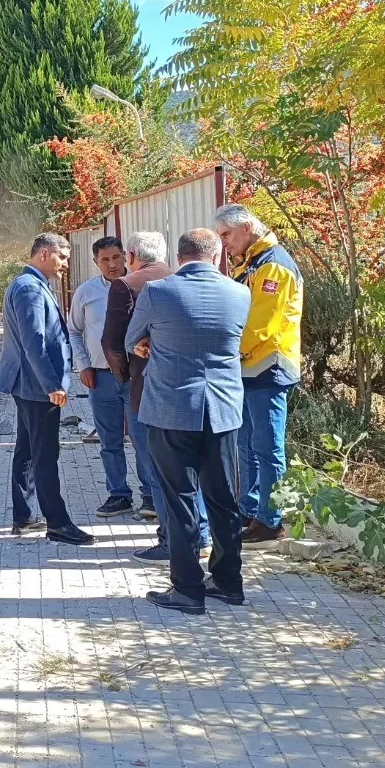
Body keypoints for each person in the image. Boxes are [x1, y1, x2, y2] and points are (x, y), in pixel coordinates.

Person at [126, 228, 251, 615]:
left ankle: (187, 589)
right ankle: (229, 582)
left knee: (179, 499)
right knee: (223, 499)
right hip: (223, 410)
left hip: (171, 408)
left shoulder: (157, 292)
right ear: (218, 257)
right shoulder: (239, 293)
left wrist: (147, 344)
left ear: (179, 257)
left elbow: (132, 339)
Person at [101, 231, 210, 562]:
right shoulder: (181, 281)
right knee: (190, 469)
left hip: (144, 389)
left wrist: (124, 377)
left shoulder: (126, 285)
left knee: (158, 469)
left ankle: (170, 539)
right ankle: (201, 533)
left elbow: (113, 342)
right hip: (189, 389)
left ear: (132, 255)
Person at [0, 232, 93, 546]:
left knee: (27, 450)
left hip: (29, 383)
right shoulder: (29, 288)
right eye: (62, 257)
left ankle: (23, 517)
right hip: (36, 386)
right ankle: (58, 524)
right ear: (45, 254)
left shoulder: (31, 284)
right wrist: (52, 385)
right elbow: (34, 343)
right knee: (45, 454)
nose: (65, 264)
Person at [214, 203, 304, 545]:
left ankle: (271, 520)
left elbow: (260, 325)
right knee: (248, 445)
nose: (224, 242)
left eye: (227, 234)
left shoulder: (273, 265)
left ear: (247, 227)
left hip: (269, 367)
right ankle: (251, 511)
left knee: (267, 448)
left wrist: (226, 353)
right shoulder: (252, 262)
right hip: (250, 367)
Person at [69, 236, 136, 517]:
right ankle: (119, 495)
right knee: (110, 441)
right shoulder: (86, 292)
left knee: (144, 439)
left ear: (126, 256)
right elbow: (73, 330)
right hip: (101, 378)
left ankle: (151, 496)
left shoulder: (140, 286)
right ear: (96, 262)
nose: (112, 264)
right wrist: (83, 365)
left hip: (135, 377)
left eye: (116, 257)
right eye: (105, 260)